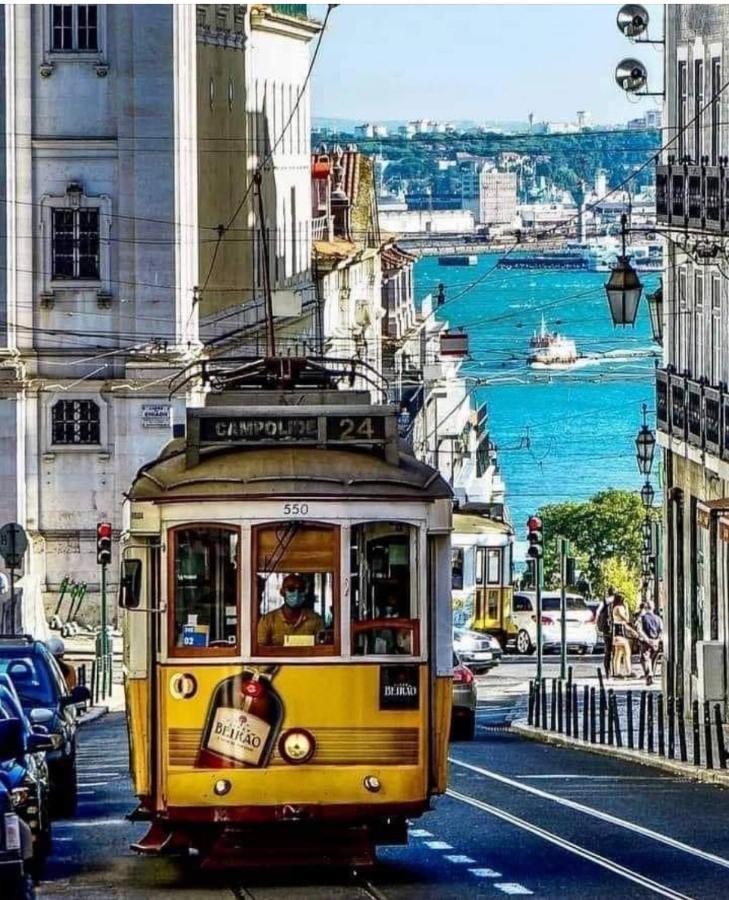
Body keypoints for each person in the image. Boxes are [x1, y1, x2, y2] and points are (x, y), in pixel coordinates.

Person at [257, 574, 324, 647]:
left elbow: (321, 647)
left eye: (300, 589)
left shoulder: (316, 620)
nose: (296, 593)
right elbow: (260, 651)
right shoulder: (267, 620)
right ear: (282, 592)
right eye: (291, 589)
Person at [636, 600, 663, 685]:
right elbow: (661, 631)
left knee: (645, 659)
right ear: (653, 608)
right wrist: (657, 640)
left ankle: (649, 675)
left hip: (646, 642)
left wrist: (647, 640)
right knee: (653, 659)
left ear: (645, 608)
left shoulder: (642, 618)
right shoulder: (658, 619)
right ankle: (651, 674)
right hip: (656, 642)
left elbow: (639, 630)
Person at [611, 593, 634, 679]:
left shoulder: (615, 608)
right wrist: (627, 609)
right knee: (626, 652)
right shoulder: (618, 608)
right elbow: (626, 619)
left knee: (618, 653)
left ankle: (617, 672)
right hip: (620, 634)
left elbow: (623, 623)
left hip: (618, 633)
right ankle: (628, 671)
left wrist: (632, 631)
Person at [596, 587, 615, 678]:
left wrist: (597, 624)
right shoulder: (617, 601)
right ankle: (615, 670)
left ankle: (608, 670)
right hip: (616, 629)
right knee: (616, 651)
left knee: (608, 650)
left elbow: (598, 612)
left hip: (607, 630)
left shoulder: (604, 602)